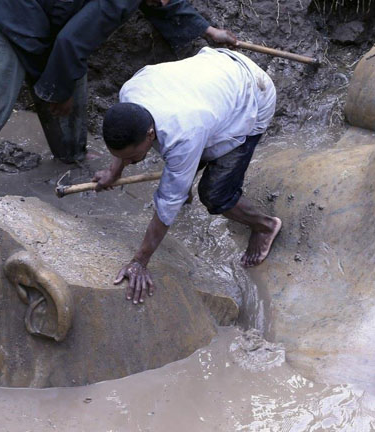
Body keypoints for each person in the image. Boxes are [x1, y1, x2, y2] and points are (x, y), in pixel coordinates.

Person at [0, 0, 236, 217]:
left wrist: (208, 31)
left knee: (72, 78)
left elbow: (163, 3)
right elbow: (72, 42)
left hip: (48, 13)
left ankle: (71, 153)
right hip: (10, 10)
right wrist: (59, 91)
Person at [93, 47, 282, 304]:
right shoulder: (129, 95)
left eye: (132, 157)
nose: (129, 162)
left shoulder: (183, 132)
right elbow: (125, 134)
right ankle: (184, 181)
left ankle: (265, 226)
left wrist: (140, 261)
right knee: (182, 165)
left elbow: (167, 203)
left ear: (150, 134)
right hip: (214, 74)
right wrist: (113, 171)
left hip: (252, 94)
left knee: (215, 195)